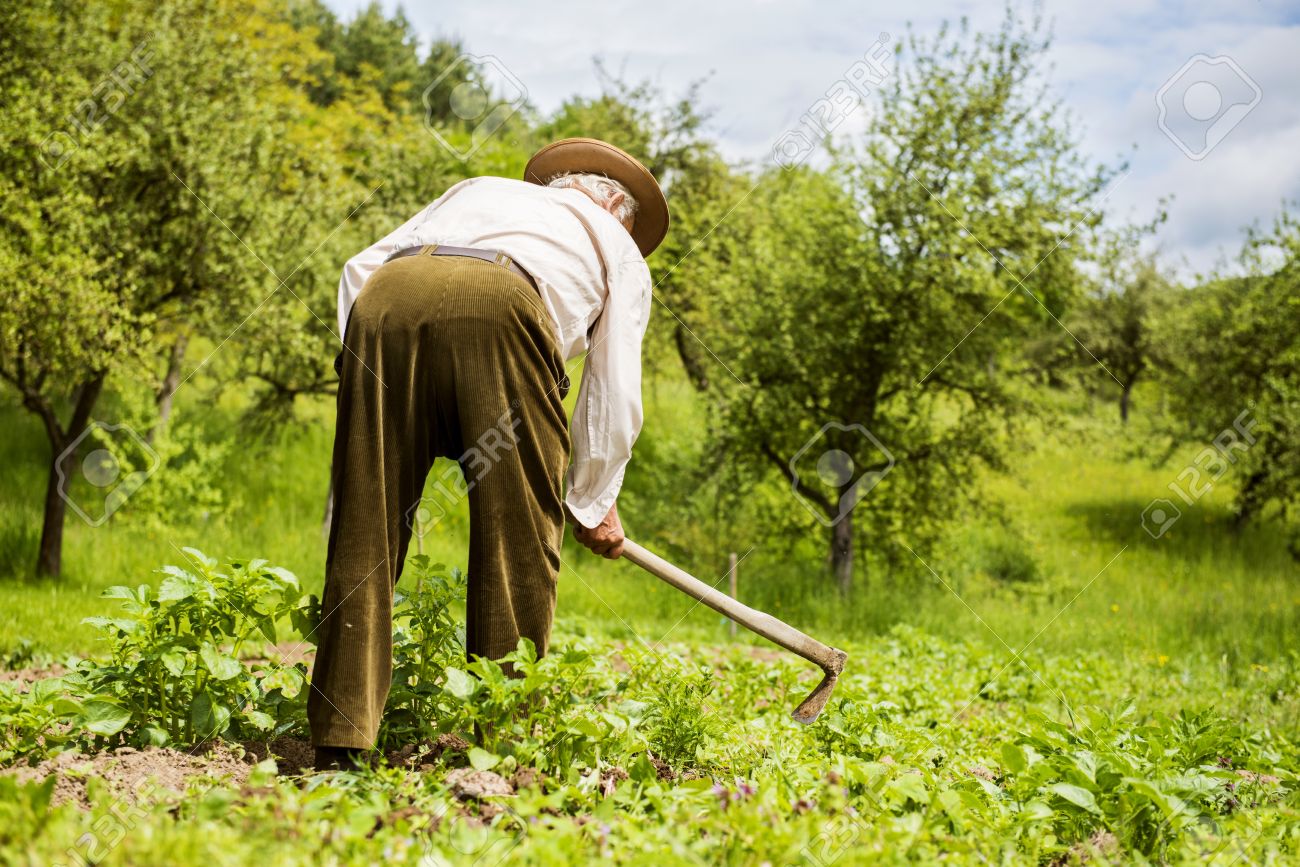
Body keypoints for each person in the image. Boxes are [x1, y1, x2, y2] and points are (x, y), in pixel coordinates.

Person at [308, 138, 670, 770]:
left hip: (389, 299)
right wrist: (592, 500)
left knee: (367, 522)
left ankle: (340, 739)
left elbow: (358, 269)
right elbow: (612, 390)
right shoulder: (617, 248)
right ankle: (500, 746)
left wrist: (365, 378)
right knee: (518, 534)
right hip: (501, 309)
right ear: (619, 212)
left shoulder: (476, 189)